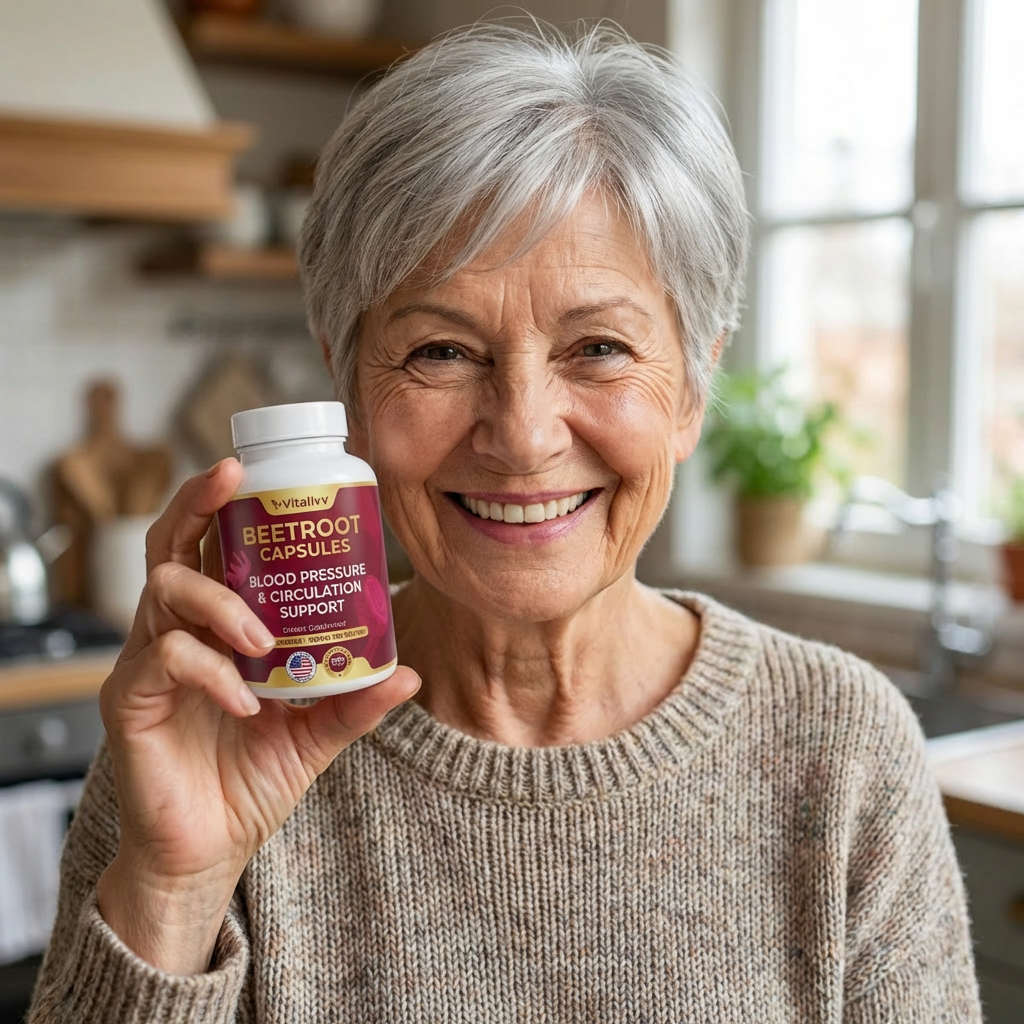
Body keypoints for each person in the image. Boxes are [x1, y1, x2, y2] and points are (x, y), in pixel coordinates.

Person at [29, 22, 981, 1022]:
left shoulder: (841, 749)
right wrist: (175, 888)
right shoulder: (208, 732)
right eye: (441, 351)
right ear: (346, 383)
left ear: (695, 386)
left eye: (600, 347)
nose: (522, 435)